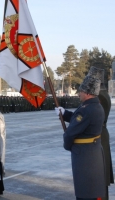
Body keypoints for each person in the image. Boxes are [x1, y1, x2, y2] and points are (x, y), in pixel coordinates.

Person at [55, 71, 106, 200]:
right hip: (93, 153)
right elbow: (79, 121)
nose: (79, 94)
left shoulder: (86, 109)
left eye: (81, 91)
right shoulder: (95, 106)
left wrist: (67, 146)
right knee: (93, 190)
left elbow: (70, 133)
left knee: (86, 192)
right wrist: (65, 113)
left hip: (84, 156)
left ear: (88, 93)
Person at [88, 66, 114, 200]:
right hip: (100, 136)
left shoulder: (100, 97)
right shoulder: (101, 94)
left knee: (100, 175)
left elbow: (93, 117)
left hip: (98, 137)